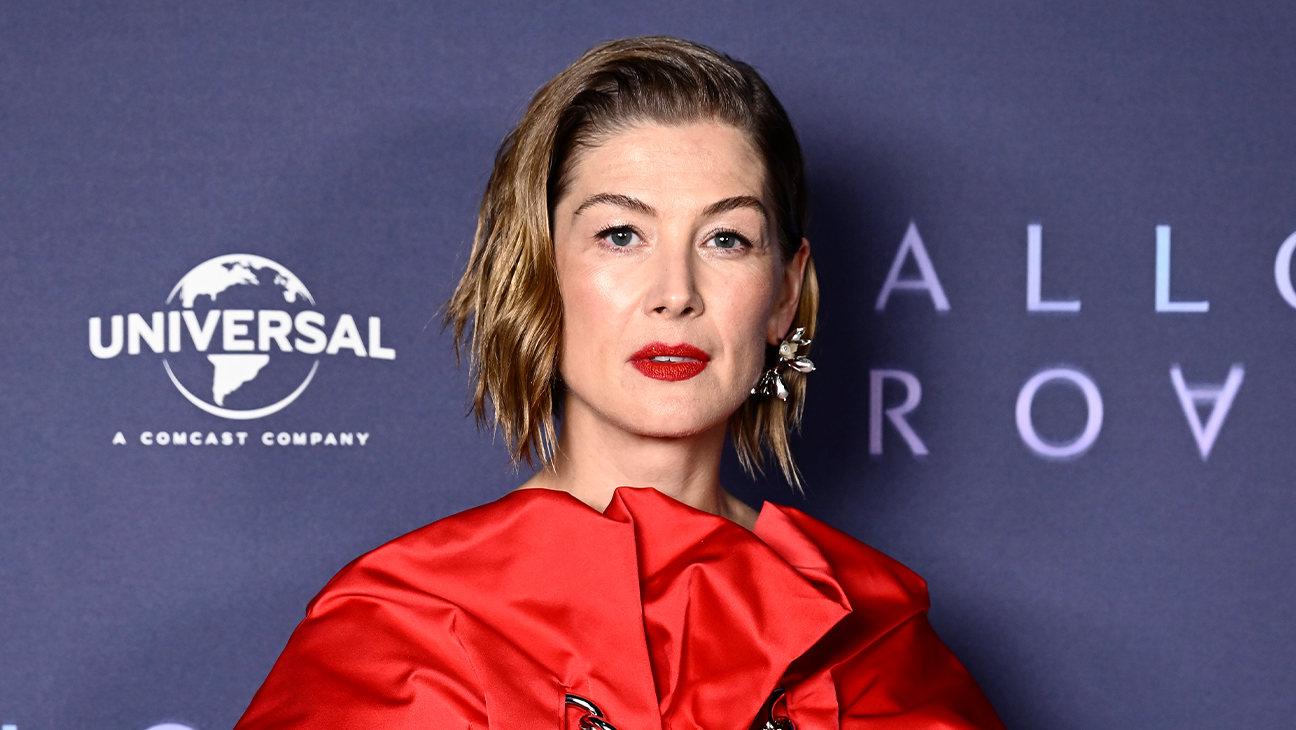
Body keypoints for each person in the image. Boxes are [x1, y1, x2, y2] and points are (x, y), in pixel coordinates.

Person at [234, 37, 1005, 730]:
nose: (676, 292)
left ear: (784, 293)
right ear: (538, 273)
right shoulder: (401, 628)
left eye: (726, 239)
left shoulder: (877, 639)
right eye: (621, 234)